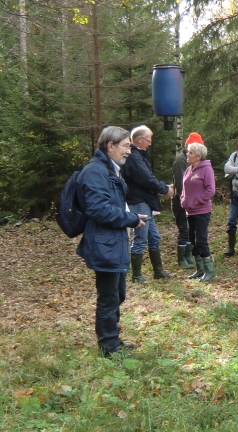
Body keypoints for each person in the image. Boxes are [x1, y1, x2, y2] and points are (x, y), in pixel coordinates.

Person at [76, 126, 146, 358]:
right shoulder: (95, 171)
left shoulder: (109, 169)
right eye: (126, 146)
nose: (129, 151)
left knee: (118, 293)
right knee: (108, 296)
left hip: (113, 241)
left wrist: (131, 218)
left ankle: (113, 338)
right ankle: (109, 347)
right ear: (110, 146)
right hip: (104, 243)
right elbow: (97, 209)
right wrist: (130, 219)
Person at [122, 125, 174, 284]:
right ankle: (136, 276)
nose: (150, 143)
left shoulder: (138, 156)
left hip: (145, 201)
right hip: (139, 202)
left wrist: (162, 188)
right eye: (149, 140)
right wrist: (164, 188)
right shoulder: (134, 157)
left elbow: (147, 179)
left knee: (154, 237)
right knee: (140, 239)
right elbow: (146, 179)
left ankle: (158, 271)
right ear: (139, 140)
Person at [181, 143, 216, 281]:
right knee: (192, 240)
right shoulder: (189, 169)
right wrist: (183, 200)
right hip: (190, 211)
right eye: (187, 152)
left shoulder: (206, 169)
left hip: (202, 210)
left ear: (198, 156)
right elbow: (184, 188)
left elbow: (211, 190)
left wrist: (196, 201)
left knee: (201, 240)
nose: (187, 154)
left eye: (190, 152)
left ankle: (209, 270)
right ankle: (199, 269)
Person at [172, 133, 204, 269]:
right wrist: (187, 200)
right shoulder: (181, 160)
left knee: (191, 229)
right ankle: (182, 259)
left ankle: (188, 255)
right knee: (183, 229)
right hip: (182, 200)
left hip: (191, 200)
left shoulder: (194, 160)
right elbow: (181, 183)